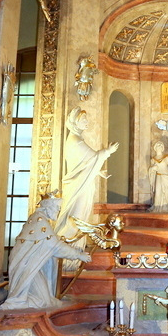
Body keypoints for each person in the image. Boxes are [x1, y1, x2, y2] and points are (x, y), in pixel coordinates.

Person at [1, 193, 91, 309]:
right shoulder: (40, 221)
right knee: (43, 301)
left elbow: (51, 242)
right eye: (57, 208)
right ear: (48, 206)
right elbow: (55, 246)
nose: (58, 211)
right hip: (26, 267)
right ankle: (15, 304)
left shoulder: (37, 218)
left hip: (27, 265)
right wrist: (78, 255)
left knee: (46, 299)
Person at [54, 109, 118, 255]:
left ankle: (73, 252)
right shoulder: (75, 141)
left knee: (79, 217)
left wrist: (97, 171)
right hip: (77, 187)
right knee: (75, 219)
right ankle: (66, 253)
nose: (87, 122)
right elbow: (94, 157)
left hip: (80, 185)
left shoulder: (77, 138)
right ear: (75, 122)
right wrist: (108, 151)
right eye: (83, 119)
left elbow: (84, 164)